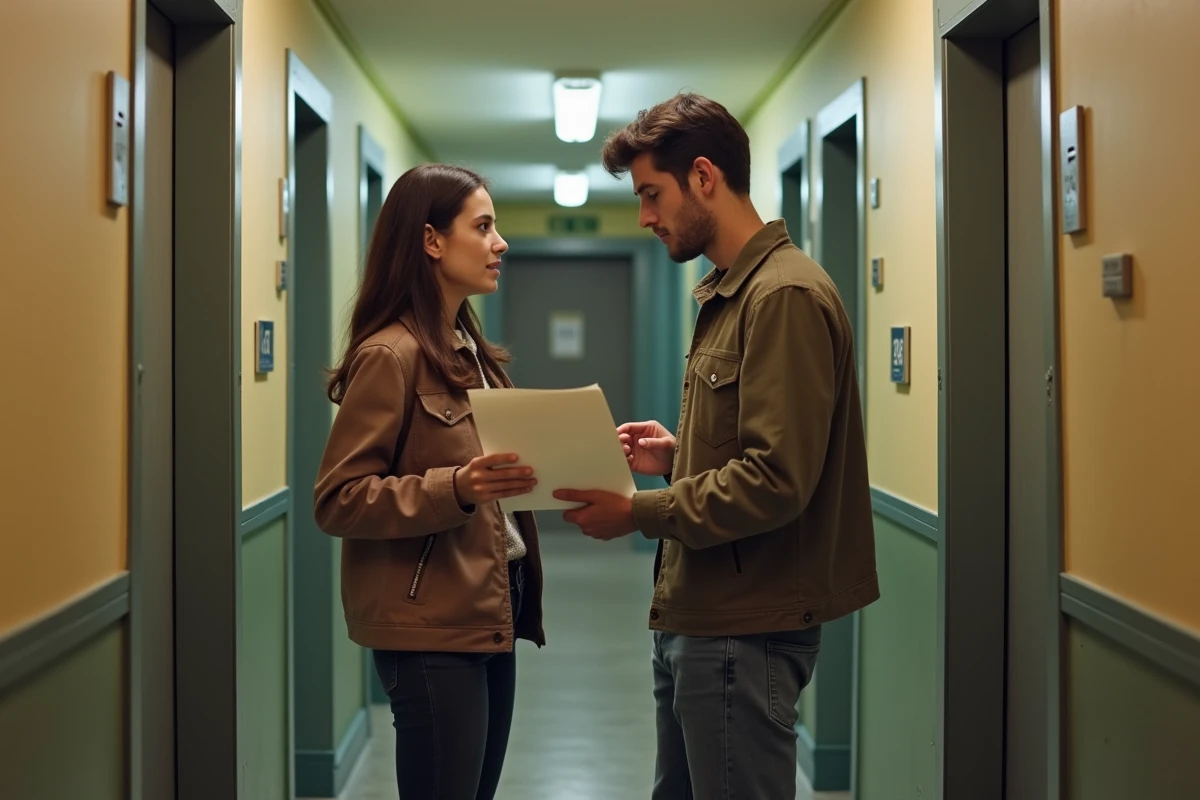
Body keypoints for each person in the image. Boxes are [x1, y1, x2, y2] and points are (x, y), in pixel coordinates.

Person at [553, 93, 879, 799]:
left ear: (704, 176)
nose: (644, 217)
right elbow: (756, 446)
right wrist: (679, 456)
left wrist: (636, 510)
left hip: (742, 627)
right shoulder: (734, 292)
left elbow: (776, 479)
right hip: (703, 615)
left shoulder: (782, 295)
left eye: (651, 194)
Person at [313, 163, 544, 800]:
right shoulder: (392, 355)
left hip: (490, 600)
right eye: (484, 226)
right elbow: (338, 499)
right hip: (429, 619)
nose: (500, 243)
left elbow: (486, 467)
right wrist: (456, 488)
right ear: (432, 241)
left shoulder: (467, 350)